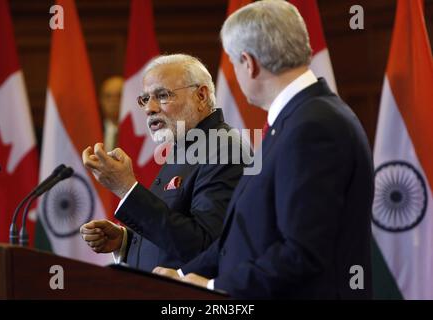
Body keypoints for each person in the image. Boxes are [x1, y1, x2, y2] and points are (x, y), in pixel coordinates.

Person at [153, 0, 374, 299]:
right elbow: (241, 236)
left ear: (249, 63)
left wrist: (213, 288)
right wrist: (181, 277)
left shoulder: (314, 126)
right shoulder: (297, 119)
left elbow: (302, 252)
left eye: (233, 62)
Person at [80, 54, 248, 272]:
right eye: (145, 99)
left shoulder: (224, 148)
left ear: (201, 95)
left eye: (162, 95)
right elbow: (176, 231)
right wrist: (126, 241)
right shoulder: (187, 146)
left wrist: (126, 188)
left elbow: (206, 247)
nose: (149, 108)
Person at [99, 76, 123, 151]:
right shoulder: (93, 129)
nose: (113, 101)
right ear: (100, 100)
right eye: (108, 96)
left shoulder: (138, 133)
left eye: (119, 96)